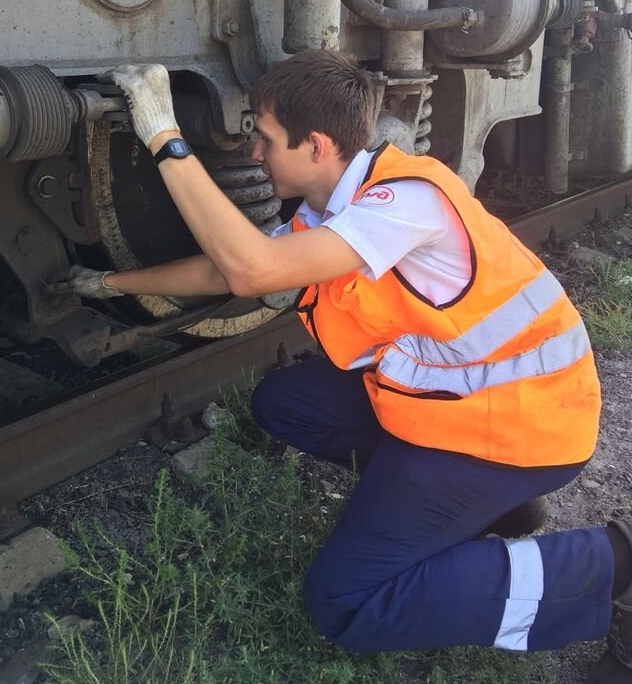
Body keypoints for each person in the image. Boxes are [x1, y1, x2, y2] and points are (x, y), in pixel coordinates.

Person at [48, 50, 632, 680]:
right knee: (283, 403)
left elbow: (254, 269)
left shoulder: (408, 203)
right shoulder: (330, 215)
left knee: (344, 602)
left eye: (265, 140)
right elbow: (227, 270)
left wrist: (163, 134)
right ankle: (489, 511)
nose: (255, 156)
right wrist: (108, 283)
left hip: (519, 431)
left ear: (317, 145)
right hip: (451, 412)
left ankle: (611, 564)